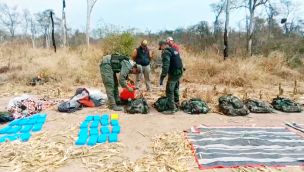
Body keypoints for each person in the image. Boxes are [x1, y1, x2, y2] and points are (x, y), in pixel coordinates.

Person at [159, 40, 184, 114]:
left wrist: (162, 77)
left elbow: (166, 66)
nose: (161, 49)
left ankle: (172, 108)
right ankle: (176, 103)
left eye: (160, 47)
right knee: (175, 88)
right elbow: (179, 60)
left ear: (163, 45)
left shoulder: (166, 52)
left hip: (174, 72)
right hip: (180, 70)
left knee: (169, 90)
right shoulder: (174, 49)